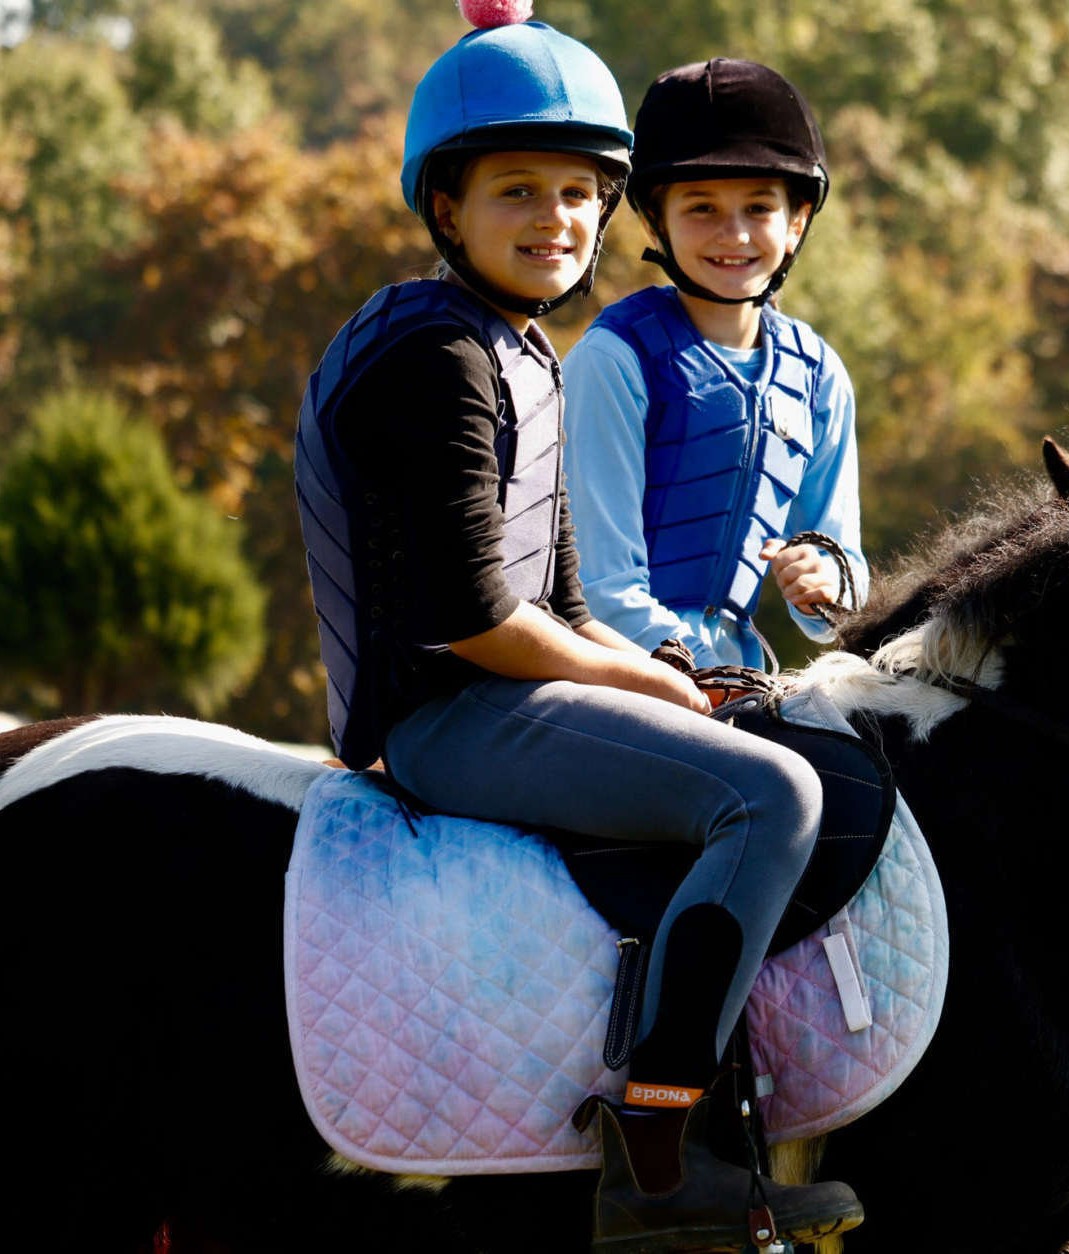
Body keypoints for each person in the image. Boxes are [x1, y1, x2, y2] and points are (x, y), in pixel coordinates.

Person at [291, 10, 862, 1251]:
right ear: (446, 208)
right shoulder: (435, 353)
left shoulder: (525, 353)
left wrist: (665, 676)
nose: (553, 218)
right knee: (769, 801)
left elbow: (558, 607)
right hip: (445, 716)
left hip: (506, 689)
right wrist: (659, 692)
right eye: (517, 191)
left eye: (574, 193)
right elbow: (481, 624)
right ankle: (656, 1149)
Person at [562, 58, 869, 671]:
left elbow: (845, 576)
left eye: (759, 208)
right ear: (656, 219)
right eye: (701, 208)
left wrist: (828, 579)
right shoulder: (613, 360)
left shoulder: (819, 374)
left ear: (797, 221)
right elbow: (601, 593)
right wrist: (714, 678)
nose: (733, 234)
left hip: (740, 673)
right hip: (615, 669)